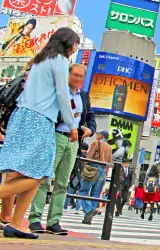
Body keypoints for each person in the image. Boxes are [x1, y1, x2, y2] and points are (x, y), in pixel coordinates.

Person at [0, 27, 80, 239]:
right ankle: (14, 220)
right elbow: (63, 95)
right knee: (41, 173)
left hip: (21, 116)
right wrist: (73, 125)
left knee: (22, 171)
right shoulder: (61, 62)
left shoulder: (40, 59)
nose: (75, 49)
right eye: (75, 45)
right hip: (40, 119)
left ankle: (16, 223)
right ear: (69, 44)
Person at [28, 63, 95, 235]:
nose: (78, 79)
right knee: (43, 179)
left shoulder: (84, 96)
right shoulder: (58, 91)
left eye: (81, 76)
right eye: (75, 75)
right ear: (68, 74)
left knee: (62, 183)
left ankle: (54, 221)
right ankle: (35, 218)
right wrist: (66, 116)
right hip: (56, 135)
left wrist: (90, 129)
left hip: (73, 141)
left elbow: (90, 116)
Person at [0, 58, 34, 230]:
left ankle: (6, 217)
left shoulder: (21, 79)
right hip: (22, 129)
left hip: (12, 127)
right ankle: (8, 218)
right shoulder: (32, 82)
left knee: (11, 173)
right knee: (24, 176)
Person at [80, 130, 113, 225]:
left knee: (83, 191)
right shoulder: (109, 147)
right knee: (95, 194)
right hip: (103, 171)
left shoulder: (96, 143)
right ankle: (88, 217)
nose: (96, 135)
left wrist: (85, 165)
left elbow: (89, 157)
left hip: (93, 168)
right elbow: (110, 163)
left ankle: (89, 209)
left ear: (101, 136)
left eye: (98, 134)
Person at [64, 142, 89, 212]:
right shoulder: (88, 156)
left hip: (76, 175)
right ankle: (77, 208)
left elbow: (76, 166)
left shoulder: (79, 155)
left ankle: (65, 206)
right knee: (80, 193)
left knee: (70, 190)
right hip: (85, 176)